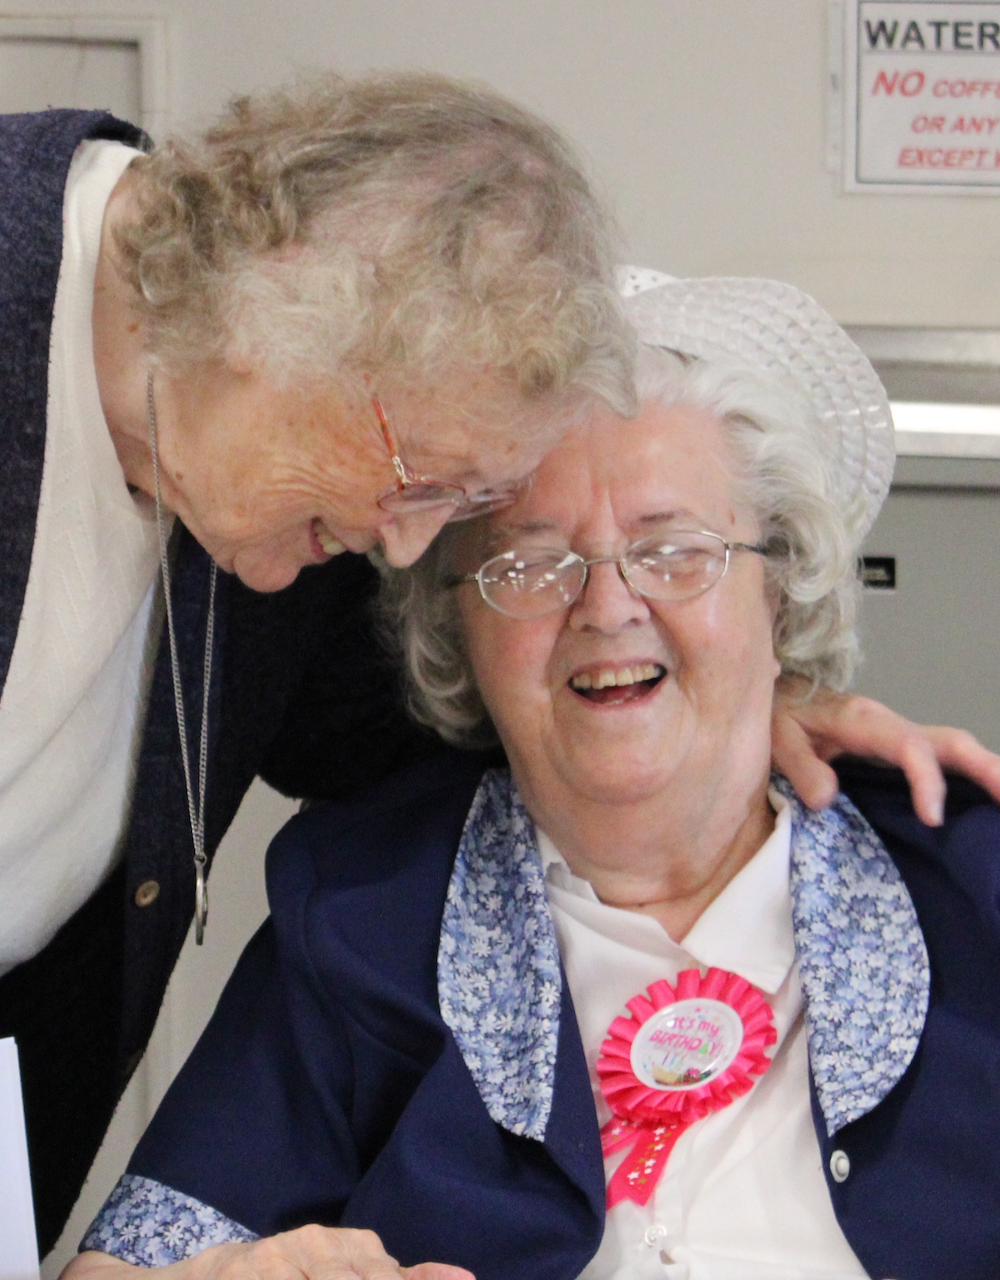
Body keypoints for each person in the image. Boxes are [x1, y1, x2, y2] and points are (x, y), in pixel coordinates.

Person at [74, 274, 1000, 1280]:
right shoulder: (364, 909)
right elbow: (120, 1264)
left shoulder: (965, 879)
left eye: (673, 549)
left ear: (775, 591)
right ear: (458, 627)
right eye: (529, 564)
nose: (606, 605)